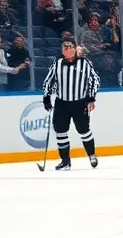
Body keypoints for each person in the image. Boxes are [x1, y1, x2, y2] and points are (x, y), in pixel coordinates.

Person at [42, 40, 101, 171]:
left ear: (75, 49)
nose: (67, 49)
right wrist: (46, 97)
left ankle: (91, 155)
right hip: (62, 103)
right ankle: (65, 161)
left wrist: (91, 98)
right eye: (65, 47)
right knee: (60, 131)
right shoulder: (57, 64)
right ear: (62, 51)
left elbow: (95, 80)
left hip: (80, 103)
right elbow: (48, 81)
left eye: (70, 47)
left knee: (84, 130)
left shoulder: (84, 63)